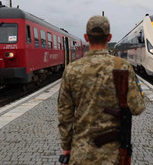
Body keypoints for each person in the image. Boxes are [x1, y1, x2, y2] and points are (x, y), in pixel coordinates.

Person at [58, 15, 145, 164]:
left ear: (86, 37)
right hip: (113, 156)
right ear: (109, 37)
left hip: (80, 154)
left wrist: (66, 147)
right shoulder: (122, 66)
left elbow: (65, 115)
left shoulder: (71, 70)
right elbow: (137, 107)